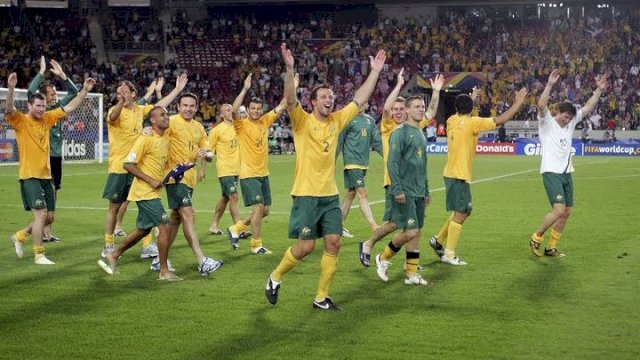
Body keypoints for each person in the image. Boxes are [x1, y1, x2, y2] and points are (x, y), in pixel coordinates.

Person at [264, 43, 386, 311]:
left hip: (329, 195)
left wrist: (375, 72)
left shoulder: (337, 121)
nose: (329, 100)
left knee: (334, 242)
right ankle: (275, 277)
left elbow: (360, 99)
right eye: (323, 97)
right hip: (306, 194)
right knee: (306, 247)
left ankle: (321, 296)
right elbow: (290, 99)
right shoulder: (302, 120)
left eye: (331, 97)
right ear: (313, 102)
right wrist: (289, 68)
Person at [429, 87, 528, 265]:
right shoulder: (473, 123)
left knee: (464, 211)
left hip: (452, 172)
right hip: (458, 174)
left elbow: (465, 113)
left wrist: (472, 100)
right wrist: (518, 102)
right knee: (461, 212)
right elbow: (502, 119)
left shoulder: (452, 120)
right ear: (470, 109)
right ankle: (449, 254)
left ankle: (438, 240)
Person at [7, 72, 95, 264]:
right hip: (29, 176)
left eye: (43, 106)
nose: (40, 109)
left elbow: (70, 106)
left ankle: (20, 236)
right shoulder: (21, 121)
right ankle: (39, 254)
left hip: (46, 176)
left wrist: (85, 91)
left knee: (49, 217)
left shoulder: (47, 118)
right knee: (40, 215)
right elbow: (9, 109)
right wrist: (12, 88)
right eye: (37, 106)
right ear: (29, 105)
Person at [358, 69, 444, 267]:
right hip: (394, 182)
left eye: (400, 109)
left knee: (412, 227)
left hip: (412, 184)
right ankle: (369, 244)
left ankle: (411, 264)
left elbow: (430, 112)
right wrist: (398, 85)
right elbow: (387, 109)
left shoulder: (412, 126)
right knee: (395, 225)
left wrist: (436, 91)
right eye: (395, 110)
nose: (396, 112)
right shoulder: (389, 126)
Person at [101, 74, 187, 259]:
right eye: (118, 93)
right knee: (114, 207)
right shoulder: (114, 110)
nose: (120, 95)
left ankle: (146, 246)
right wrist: (121, 101)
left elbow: (160, 106)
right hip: (119, 166)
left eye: (124, 92)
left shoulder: (140, 110)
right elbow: (114, 116)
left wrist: (177, 90)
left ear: (134, 93)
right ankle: (108, 244)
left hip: (139, 167)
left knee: (144, 206)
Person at [529, 70, 608, 257]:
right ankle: (536, 237)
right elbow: (541, 104)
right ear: (558, 112)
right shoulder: (547, 123)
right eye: (565, 117)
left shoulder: (571, 123)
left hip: (566, 172)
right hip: (551, 172)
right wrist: (549, 85)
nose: (567, 121)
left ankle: (551, 247)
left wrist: (598, 90)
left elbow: (588, 107)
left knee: (566, 211)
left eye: (570, 118)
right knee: (558, 210)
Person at [98, 106, 181, 281]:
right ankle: (164, 271)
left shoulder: (164, 137)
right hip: (144, 191)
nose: (167, 117)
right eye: (162, 115)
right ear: (152, 120)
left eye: (167, 114)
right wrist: (150, 180)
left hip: (154, 191)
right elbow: (128, 164)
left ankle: (114, 254)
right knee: (165, 226)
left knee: (143, 230)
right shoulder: (145, 138)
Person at [226, 73, 288, 254]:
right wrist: (245, 88)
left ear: (261, 109)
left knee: (265, 210)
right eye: (252, 108)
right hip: (249, 173)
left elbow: (283, 105)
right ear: (249, 109)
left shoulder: (265, 121)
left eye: (258, 108)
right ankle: (256, 244)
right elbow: (234, 110)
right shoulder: (241, 125)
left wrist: (292, 83)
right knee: (258, 208)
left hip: (263, 173)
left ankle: (236, 228)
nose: (255, 111)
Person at [374, 95, 432, 286]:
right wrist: (397, 189)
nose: (421, 109)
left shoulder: (421, 133)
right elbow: (392, 163)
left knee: (416, 232)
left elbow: (423, 165)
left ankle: (411, 273)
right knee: (410, 231)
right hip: (404, 191)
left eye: (422, 106)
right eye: (417, 106)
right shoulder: (399, 133)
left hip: (418, 191)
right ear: (407, 110)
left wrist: (427, 191)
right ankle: (383, 257)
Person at [165, 92, 223, 276]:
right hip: (175, 177)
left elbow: (210, 153)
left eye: (192, 106)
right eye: (185, 105)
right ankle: (202, 261)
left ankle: (160, 258)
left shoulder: (198, 127)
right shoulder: (171, 122)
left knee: (175, 219)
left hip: (189, 179)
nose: (188, 109)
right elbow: (156, 130)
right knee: (189, 214)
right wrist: (147, 130)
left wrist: (206, 155)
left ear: (196, 108)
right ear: (178, 107)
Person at [27, 56, 78, 243]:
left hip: (56, 157)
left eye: (55, 93)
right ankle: (36, 232)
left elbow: (74, 91)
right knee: (42, 196)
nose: (55, 96)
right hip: (43, 157)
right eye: (51, 94)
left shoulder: (57, 109)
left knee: (54, 192)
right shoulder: (39, 112)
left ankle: (47, 232)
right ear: (42, 97)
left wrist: (63, 76)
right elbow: (31, 91)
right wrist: (41, 73)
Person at [337, 103, 382, 238]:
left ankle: (337, 225)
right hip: (352, 163)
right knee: (363, 193)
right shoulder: (348, 119)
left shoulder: (370, 120)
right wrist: (331, 160)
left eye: (364, 102)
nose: (362, 104)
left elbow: (377, 141)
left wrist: (389, 157)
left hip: (363, 164)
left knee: (351, 194)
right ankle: (375, 226)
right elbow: (339, 141)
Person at [200, 103, 242, 242]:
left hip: (236, 169)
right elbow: (208, 151)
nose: (231, 112)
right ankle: (239, 228)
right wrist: (202, 169)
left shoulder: (238, 126)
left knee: (225, 198)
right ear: (222, 115)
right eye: (228, 110)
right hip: (225, 169)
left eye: (232, 109)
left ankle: (213, 225)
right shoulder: (216, 131)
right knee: (234, 197)